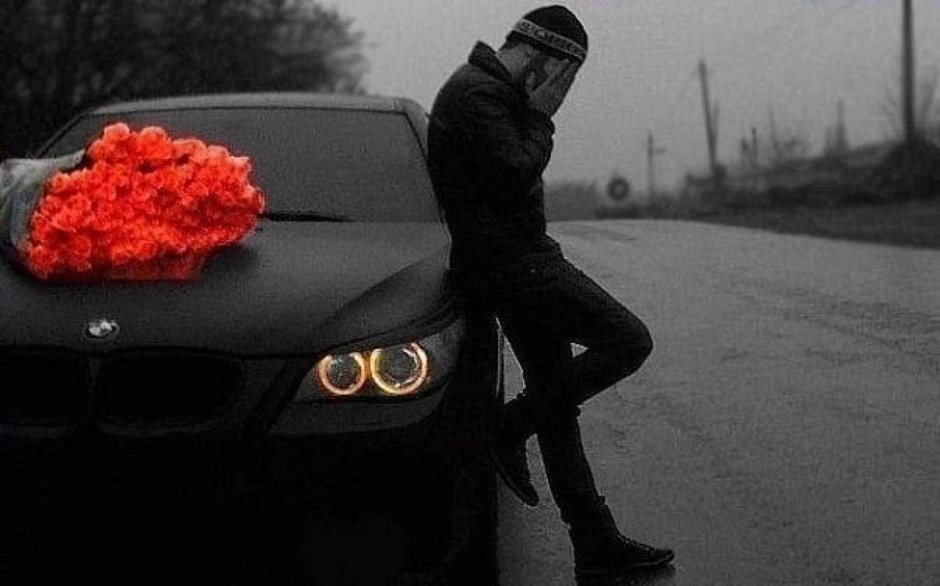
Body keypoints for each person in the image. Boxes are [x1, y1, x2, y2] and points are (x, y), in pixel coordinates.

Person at [427, 4, 675, 581]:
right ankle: (508, 427)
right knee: (629, 340)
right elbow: (517, 169)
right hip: (514, 265)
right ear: (541, 60)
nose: (562, 91)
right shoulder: (478, 94)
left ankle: (595, 543)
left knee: (556, 405)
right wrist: (541, 117)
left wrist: (531, 114)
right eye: (564, 77)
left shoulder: (487, 92)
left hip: (516, 260)